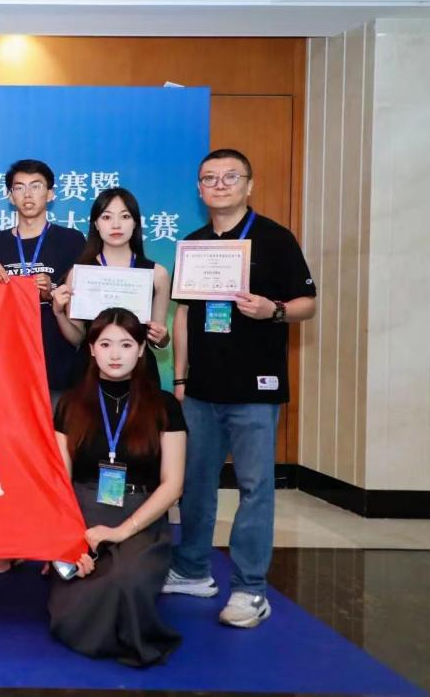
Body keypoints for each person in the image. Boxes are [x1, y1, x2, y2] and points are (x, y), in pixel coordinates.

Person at [164, 149, 316, 628]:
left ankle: (251, 589)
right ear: (199, 189)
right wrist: (181, 377)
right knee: (195, 484)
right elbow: (184, 315)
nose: (220, 184)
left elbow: (308, 303)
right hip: (201, 389)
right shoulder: (194, 243)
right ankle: (192, 570)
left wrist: (273, 310)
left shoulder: (275, 238)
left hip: (255, 388)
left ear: (249, 185)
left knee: (254, 488)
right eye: (209, 178)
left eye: (230, 177)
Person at [49, 307, 186, 667]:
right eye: (105, 344)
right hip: (82, 513)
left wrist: (122, 531)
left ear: (141, 350)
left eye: (126, 345)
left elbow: (173, 485)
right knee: (72, 613)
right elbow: (58, 480)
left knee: (126, 580)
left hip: (140, 516)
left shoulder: (164, 405)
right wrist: (67, 539)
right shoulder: (70, 404)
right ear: (91, 349)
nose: (115, 354)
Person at [0, 159, 85, 405]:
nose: (27, 194)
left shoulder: (72, 241)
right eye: (19, 187)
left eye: (36, 186)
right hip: (6, 366)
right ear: (10, 196)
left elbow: (84, 302)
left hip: (57, 364)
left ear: (50, 194)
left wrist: (51, 291)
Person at [51, 187, 171, 386]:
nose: (116, 224)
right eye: (106, 217)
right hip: (89, 373)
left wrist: (162, 338)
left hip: (139, 375)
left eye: (125, 216)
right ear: (96, 224)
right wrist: (58, 313)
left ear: (135, 222)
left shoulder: (157, 274)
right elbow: (78, 338)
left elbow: (157, 340)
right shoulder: (80, 274)